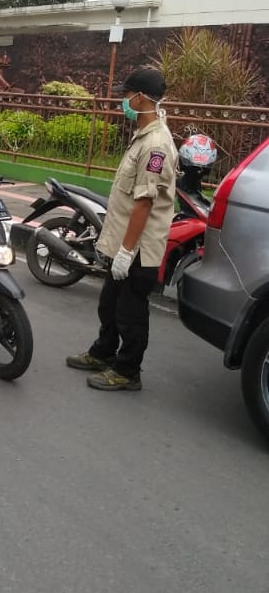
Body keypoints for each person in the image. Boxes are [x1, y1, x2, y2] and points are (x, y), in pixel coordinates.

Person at [66, 67, 178, 391]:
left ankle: (128, 371)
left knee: (130, 313)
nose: (123, 101)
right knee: (110, 304)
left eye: (126, 95)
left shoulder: (156, 145)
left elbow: (144, 204)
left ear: (140, 97)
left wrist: (126, 253)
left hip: (138, 248)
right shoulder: (143, 135)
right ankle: (103, 353)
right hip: (123, 243)